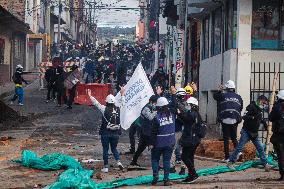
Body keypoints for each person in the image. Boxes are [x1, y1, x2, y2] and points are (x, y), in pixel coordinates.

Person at [227, 97, 272, 171]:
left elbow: (260, 119)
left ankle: (265, 164)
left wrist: (266, 126)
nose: (264, 105)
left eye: (265, 104)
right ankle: (230, 162)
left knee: (260, 148)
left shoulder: (259, 110)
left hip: (254, 133)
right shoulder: (251, 107)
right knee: (239, 147)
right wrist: (253, 117)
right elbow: (244, 117)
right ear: (260, 101)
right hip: (246, 131)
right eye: (264, 103)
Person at [88, 88, 125, 173]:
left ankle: (106, 167)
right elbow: (123, 103)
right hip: (116, 132)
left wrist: (90, 96)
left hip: (105, 132)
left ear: (106, 101)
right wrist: (122, 94)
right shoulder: (118, 109)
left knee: (105, 149)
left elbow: (96, 103)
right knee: (114, 148)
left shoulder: (104, 108)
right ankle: (118, 161)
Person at [213, 80, 243, 161]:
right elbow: (241, 107)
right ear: (234, 88)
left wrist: (219, 90)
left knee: (226, 138)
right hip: (235, 118)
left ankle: (227, 157)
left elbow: (215, 96)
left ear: (226, 88)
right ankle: (239, 151)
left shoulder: (223, 95)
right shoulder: (238, 97)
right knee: (234, 137)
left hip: (225, 118)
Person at [150, 97, 175, 186]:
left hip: (158, 143)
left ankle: (155, 176)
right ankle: (166, 179)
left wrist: (151, 144)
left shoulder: (156, 118)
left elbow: (153, 132)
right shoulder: (172, 115)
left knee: (155, 159)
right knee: (166, 161)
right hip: (170, 142)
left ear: (158, 107)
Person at [179, 97, 202, 183]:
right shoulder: (194, 113)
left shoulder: (193, 113)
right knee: (190, 157)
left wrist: (179, 114)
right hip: (192, 139)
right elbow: (186, 121)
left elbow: (188, 119)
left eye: (188, 104)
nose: (187, 106)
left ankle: (194, 173)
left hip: (191, 139)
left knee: (184, 157)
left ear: (192, 105)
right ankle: (191, 175)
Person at [129, 95, 158, 166]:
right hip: (145, 132)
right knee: (153, 147)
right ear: (151, 102)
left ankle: (134, 161)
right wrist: (157, 112)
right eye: (155, 103)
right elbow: (150, 117)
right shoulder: (146, 108)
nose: (156, 105)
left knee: (141, 147)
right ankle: (155, 164)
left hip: (147, 131)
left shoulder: (152, 108)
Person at [170, 88, 187, 174]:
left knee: (172, 149)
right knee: (183, 150)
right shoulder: (187, 105)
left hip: (177, 129)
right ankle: (183, 168)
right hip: (185, 131)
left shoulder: (176, 105)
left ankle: (172, 167)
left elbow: (172, 105)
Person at [269, 90, 284, 181]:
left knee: (281, 156)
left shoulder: (277, 106)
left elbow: (270, 118)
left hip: (279, 135)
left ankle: (283, 175)